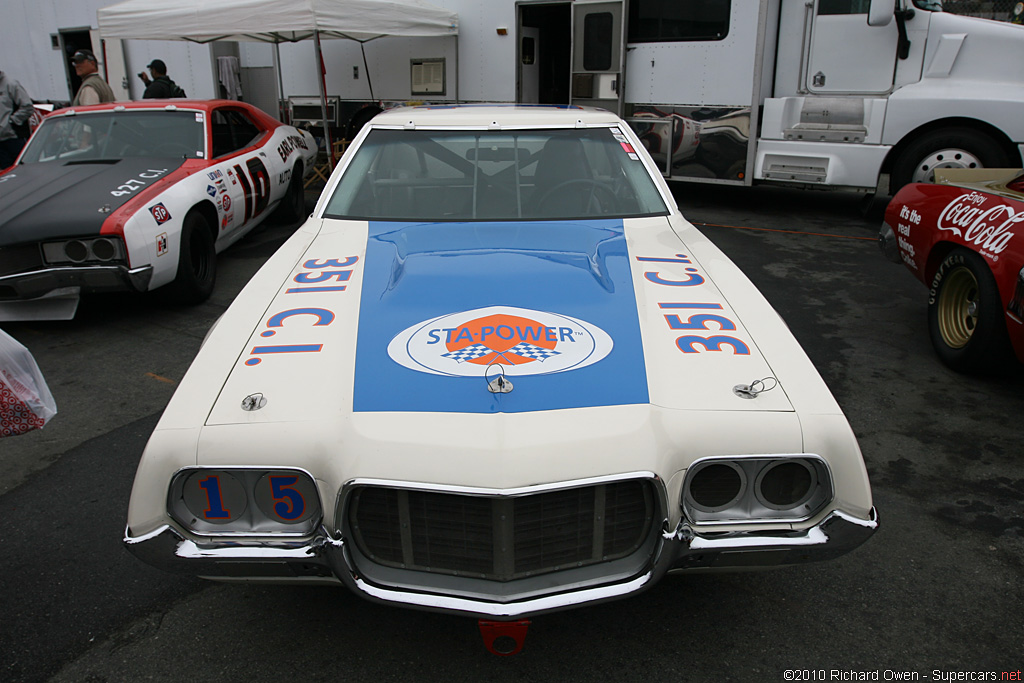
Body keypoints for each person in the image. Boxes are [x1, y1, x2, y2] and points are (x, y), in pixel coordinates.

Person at [0, 69, 34, 168]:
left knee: (23, 170)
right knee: (6, 174)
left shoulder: (11, 84)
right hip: (0, 143)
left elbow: (27, 107)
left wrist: (12, 122)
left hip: (14, 138)